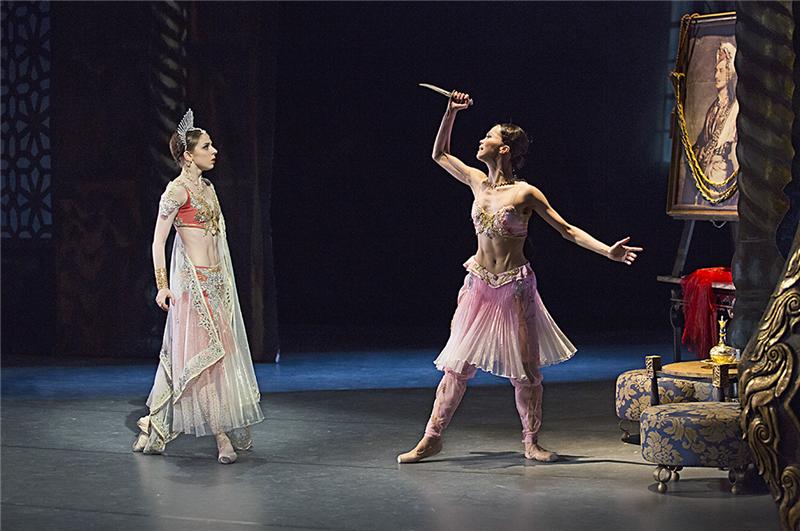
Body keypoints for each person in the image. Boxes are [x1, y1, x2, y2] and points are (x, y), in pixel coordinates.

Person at [397, 91, 642, 464]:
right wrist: (450, 112)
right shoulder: (477, 181)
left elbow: (567, 230)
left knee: (526, 370)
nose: (481, 141)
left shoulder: (525, 193)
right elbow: (440, 155)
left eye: (489, 136)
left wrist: (607, 250)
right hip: (479, 284)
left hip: (514, 286)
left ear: (505, 149)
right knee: (457, 365)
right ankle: (432, 437)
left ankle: (531, 441)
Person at [132, 109, 264, 464]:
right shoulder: (176, 191)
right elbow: (158, 241)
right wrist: (162, 286)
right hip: (192, 290)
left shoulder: (208, 188)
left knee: (197, 362)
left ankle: (153, 424)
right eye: (206, 146)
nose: (214, 151)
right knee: (204, 365)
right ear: (188, 155)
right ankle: (221, 438)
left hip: (215, 286)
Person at [682, 41, 738, 206]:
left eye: (721, 71)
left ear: (729, 74)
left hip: (721, 173)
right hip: (706, 172)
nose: (716, 76)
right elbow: (702, 141)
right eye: (715, 71)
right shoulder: (712, 108)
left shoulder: (735, 108)